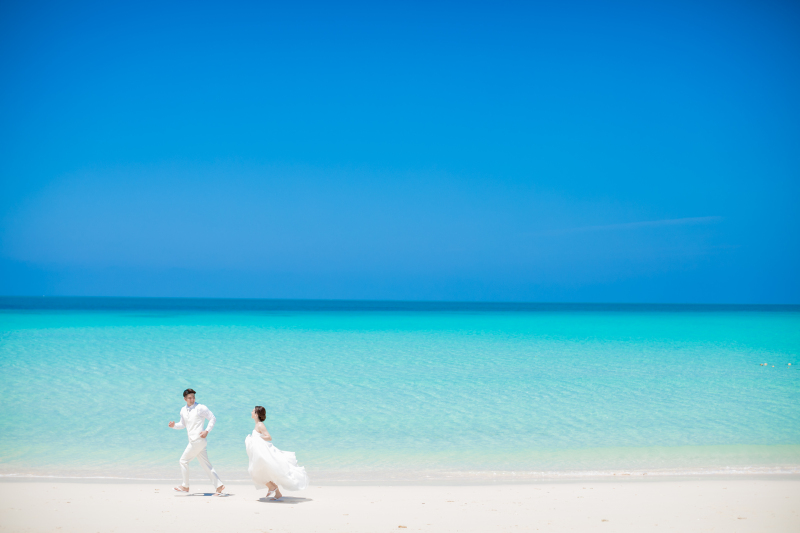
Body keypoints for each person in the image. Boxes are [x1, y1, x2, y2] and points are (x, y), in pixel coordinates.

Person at [168, 388, 225, 495]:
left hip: (198, 440)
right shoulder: (183, 410)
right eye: (189, 398)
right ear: (185, 399)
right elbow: (183, 425)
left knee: (183, 461)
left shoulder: (201, 408)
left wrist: (207, 431)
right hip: (195, 442)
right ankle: (219, 486)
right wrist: (174, 426)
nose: (192, 399)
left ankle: (185, 486)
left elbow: (212, 418)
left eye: (193, 397)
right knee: (206, 465)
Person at [245, 405, 309, 500]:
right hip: (259, 454)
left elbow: (269, 437)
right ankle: (277, 493)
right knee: (262, 472)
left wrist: (256, 438)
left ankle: (272, 487)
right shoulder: (257, 425)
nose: (251, 412)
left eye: (253, 411)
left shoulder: (260, 425)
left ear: (256, 414)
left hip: (263, 454)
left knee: (254, 471)